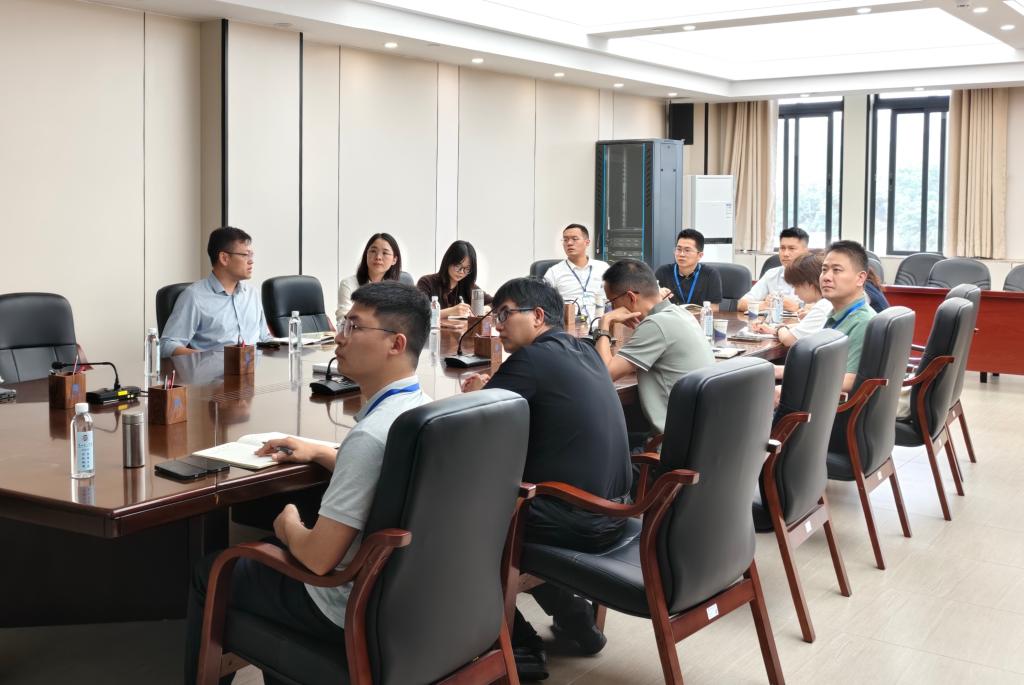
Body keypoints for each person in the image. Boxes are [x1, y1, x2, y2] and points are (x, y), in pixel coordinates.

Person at [183, 282, 432, 685]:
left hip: (342, 605)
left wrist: (287, 524)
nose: (340, 336)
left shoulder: (369, 438)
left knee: (212, 571)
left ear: (396, 343)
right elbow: (387, 475)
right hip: (406, 601)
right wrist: (318, 452)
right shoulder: (421, 410)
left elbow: (318, 559)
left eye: (354, 326)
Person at [460, 277, 631, 681]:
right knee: (517, 505)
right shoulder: (584, 349)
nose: (497, 325)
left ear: (537, 316)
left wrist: (475, 393)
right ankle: (576, 620)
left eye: (505, 314)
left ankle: (520, 646)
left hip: (578, 518)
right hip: (616, 509)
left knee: (457, 524)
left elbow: (472, 425)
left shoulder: (530, 361)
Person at [596, 259, 714, 435]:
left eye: (612, 302)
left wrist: (604, 323)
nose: (612, 308)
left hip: (671, 444)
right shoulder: (681, 313)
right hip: (700, 436)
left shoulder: (656, 325)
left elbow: (605, 374)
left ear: (631, 297)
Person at [775, 240, 875, 394]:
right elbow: (823, 367)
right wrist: (778, 370)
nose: (826, 277)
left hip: (829, 404)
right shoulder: (838, 314)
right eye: (824, 269)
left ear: (860, 278)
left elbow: (850, 381)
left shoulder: (862, 321)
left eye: (837, 270)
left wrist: (794, 384)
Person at [160, 226, 272, 357]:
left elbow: (265, 338)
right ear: (224, 258)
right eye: (245, 255)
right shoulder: (194, 296)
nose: (251, 261)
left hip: (254, 367)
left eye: (251, 255)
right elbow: (167, 345)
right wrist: (208, 358)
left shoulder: (252, 294)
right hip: (214, 370)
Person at [751, 254, 831, 347]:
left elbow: (788, 340)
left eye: (795, 286)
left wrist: (779, 328)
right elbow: (801, 328)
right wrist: (773, 329)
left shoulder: (822, 307)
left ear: (809, 283)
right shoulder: (827, 304)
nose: (795, 292)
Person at [543, 223, 610, 320]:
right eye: (565, 240)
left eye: (574, 239)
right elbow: (543, 302)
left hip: (600, 323)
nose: (569, 243)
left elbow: (614, 299)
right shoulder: (554, 272)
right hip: (568, 324)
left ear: (587, 242)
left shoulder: (603, 268)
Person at [738, 226, 811, 314]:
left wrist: (797, 307)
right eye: (782, 248)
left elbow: (823, 307)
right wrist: (766, 304)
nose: (785, 254)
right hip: (773, 322)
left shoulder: (816, 274)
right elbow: (741, 304)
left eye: (792, 248)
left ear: (805, 251)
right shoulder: (771, 274)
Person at [336, 232, 403, 320]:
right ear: (366, 255)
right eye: (373, 251)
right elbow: (343, 321)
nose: (378, 257)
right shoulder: (348, 284)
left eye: (385, 253)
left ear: (394, 260)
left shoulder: (399, 288)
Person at [417, 240, 491, 318]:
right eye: (458, 266)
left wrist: (483, 309)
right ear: (448, 262)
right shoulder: (426, 283)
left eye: (467, 268)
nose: (461, 272)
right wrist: (451, 311)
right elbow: (419, 313)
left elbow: (495, 303)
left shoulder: (468, 286)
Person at [654, 229, 722, 308]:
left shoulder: (710, 274)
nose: (681, 254)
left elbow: (714, 308)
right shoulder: (663, 272)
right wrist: (658, 296)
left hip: (697, 316)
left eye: (687, 250)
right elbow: (651, 304)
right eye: (679, 249)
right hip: (671, 315)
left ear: (700, 255)